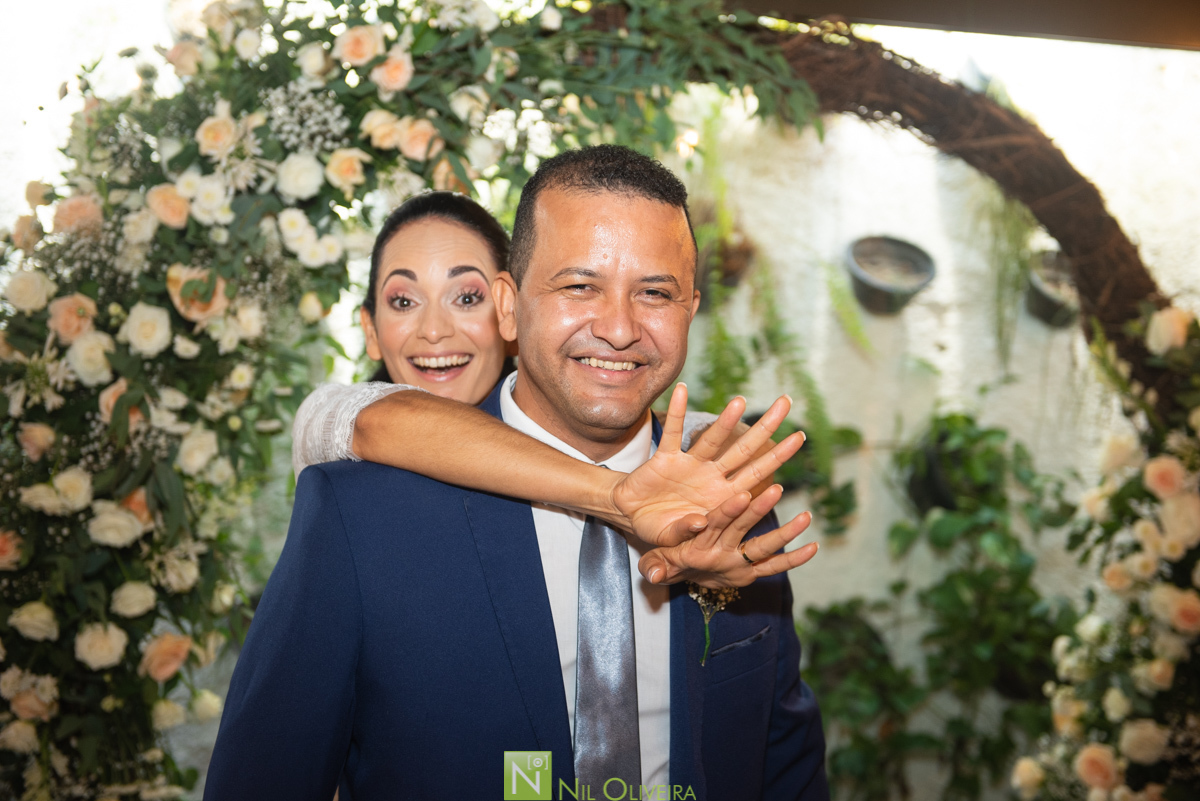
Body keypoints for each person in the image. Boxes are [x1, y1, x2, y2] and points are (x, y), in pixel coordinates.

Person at [205, 146, 828, 800]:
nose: (619, 329)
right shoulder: (359, 514)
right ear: (508, 306)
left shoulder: (729, 497)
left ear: (690, 309)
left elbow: (784, 766)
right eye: (579, 286)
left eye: (654, 293)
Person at [291, 191, 811, 585]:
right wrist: (619, 497)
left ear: (510, 311)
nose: (434, 331)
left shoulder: (628, 435)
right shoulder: (340, 428)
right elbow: (395, 422)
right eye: (404, 301)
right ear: (370, 329)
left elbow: (717, 440)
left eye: (466, 297)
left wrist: (723, 467)